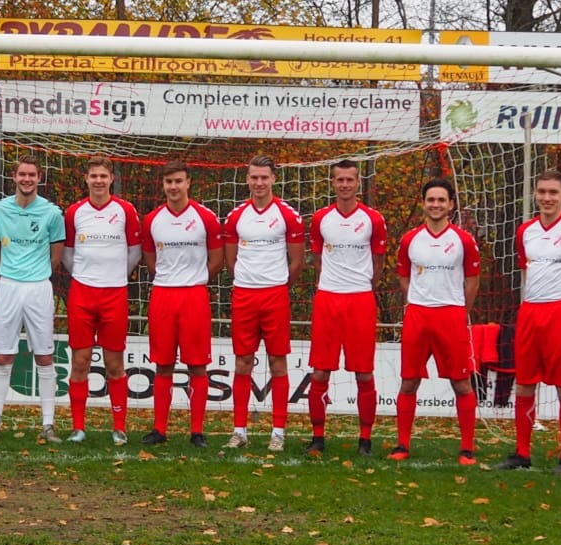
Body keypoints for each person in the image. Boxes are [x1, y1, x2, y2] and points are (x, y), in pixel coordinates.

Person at [496, 172, 561, 474]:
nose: (547, 198)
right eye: (541, 191)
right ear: (535, 194)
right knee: (525, 383)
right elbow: (527, 272)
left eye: (553, 192)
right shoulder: (525, 231)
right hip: (530, 312)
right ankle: (522, 454)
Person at [393, 178, 481, 464]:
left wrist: (459, 310)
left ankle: (467, 447)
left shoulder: (463, 240)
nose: (436, 204)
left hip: (451, 315)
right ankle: (402, 445)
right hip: (418, 315)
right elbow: (403, 276)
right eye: (431, 199)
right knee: (409, 382)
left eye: (441, 200)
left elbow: (473, 279)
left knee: (461, 382)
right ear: (423, 203)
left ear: (451, 205)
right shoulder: (410, 239)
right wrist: (417, 300)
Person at [0, 157, 66, 442]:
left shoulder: (52, 213)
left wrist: (36, 273)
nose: (27, 179)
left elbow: (56, 256)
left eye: (32, 175)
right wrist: (11, 272)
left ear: (39, 178)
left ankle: (48, 424)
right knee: (3, 355)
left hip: (39, 287)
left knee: (43, 355)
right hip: (9, 286)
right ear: (14, 177)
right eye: (22, 174)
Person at [305, 160, 387, 459]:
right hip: (328, 299)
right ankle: (317, 437)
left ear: (357, 183)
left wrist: (362, 286)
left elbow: (378, 263)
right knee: (320, 371)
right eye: (339, 179)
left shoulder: (373, 219)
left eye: (349, 180)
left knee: (364, 373)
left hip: (360, 300)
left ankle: (365, 439)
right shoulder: (320, 219)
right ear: (333, 182)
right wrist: (330, 286)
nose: (344, 185)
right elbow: (316, 260)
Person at [222, 155, 304, 452]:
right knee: (243, 362)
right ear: (247, 179)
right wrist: (248, 281)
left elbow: (297, 262)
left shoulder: (288, 215)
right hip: (244, 295)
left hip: (274, 296)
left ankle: (278, 432)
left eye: (264, 177)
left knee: (277, 362)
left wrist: (277, 284)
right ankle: (240, 430)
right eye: (254, 177)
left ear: (273, 179)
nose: (259, 183)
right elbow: (231, 261)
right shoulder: (235, 216)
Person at [140, 163, 223, 450]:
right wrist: (169, 279)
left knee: (197, 365)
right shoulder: (152, 219)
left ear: (188, 183)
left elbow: (216, 260)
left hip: (194, 297)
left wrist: (195, 280)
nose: (173, 187)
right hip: (163, 295)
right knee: (163, 364)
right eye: (168, 182)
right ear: (162, 185)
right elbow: (150, 260)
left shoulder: (206, 218)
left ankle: (197, 431)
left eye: (178, 181)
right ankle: (159, 429)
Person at [61, 158, 142, 445]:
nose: (98, 180)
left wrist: (116, 275)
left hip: (114, 294)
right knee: (80, 362)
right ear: (86, 179)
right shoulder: (74, 212)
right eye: (93, 175)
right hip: (83, 294)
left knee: (114, 363)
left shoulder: (125, 210)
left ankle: (119, 427)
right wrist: (86, 276)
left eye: (103, 176)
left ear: (111, 180)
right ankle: (78, 427)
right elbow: (68, 254)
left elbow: (134, 252)